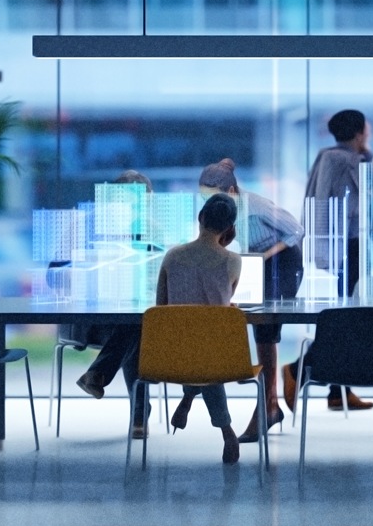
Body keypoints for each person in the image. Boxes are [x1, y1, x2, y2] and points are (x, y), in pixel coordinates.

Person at [199, 158, 302, 442]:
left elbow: (296, 230)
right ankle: (270, 405)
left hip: (282, 262)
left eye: (213, 198)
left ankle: (267, 406)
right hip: (255, 262)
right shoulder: (226, 210)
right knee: (256, 325)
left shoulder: (256, 206)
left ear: (232, 191)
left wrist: (264, 256)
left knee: (265, 328)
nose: (209, 204)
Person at [283, 109, 373, 413]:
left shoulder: (328, 156)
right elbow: (370, 188)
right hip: (349, 247)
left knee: (346, 318)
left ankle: (339, 390)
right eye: (366, 128)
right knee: (346, 321)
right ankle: (297, 370)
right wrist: (366, 155)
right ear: (359, 132)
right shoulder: (346, 160)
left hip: (342, 246)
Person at [157, 193, 245, 464]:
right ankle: (227, 432)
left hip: (174, 352)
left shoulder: (172, 256)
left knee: (195, 347)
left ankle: (187, 400)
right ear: (230, 229)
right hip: (214, 356)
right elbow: (223, 303)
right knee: (206, 354)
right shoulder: (233, 261)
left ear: (200, 217)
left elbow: (160, 308)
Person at [73, 170, 155, 438]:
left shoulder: (151, 231)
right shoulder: (87, 228)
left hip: (134, 317)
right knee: (136, 329)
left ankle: (98, 375)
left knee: (135, 326)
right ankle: (139, 415)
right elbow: (55, 275)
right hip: (94, 321)